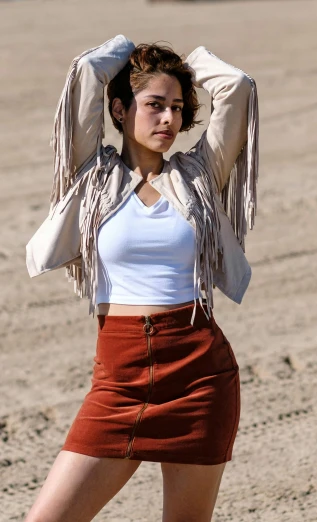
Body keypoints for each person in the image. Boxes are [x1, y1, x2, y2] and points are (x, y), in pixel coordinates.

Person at [23, 34, 259, 521]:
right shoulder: (92, 175)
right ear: (118, 108)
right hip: (118, 380)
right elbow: (86, 71)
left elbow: (235, 86)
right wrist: (129, 48)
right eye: (154, 105)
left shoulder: (199, 175)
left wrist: (188, 63)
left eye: (178, 107)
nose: (169, 119)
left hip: (198, 375)